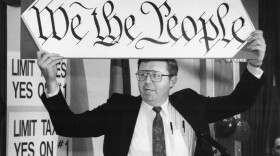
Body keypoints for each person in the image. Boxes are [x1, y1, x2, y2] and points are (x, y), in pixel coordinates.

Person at [37, 30, 266, 156]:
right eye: (142, 74)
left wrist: (254, 65)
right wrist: (50, 80)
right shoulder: (119, 109)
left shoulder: (191, 104)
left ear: (172, 80)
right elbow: (69, 126)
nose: (148, 82)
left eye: (156, 76)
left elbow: (239, 102)